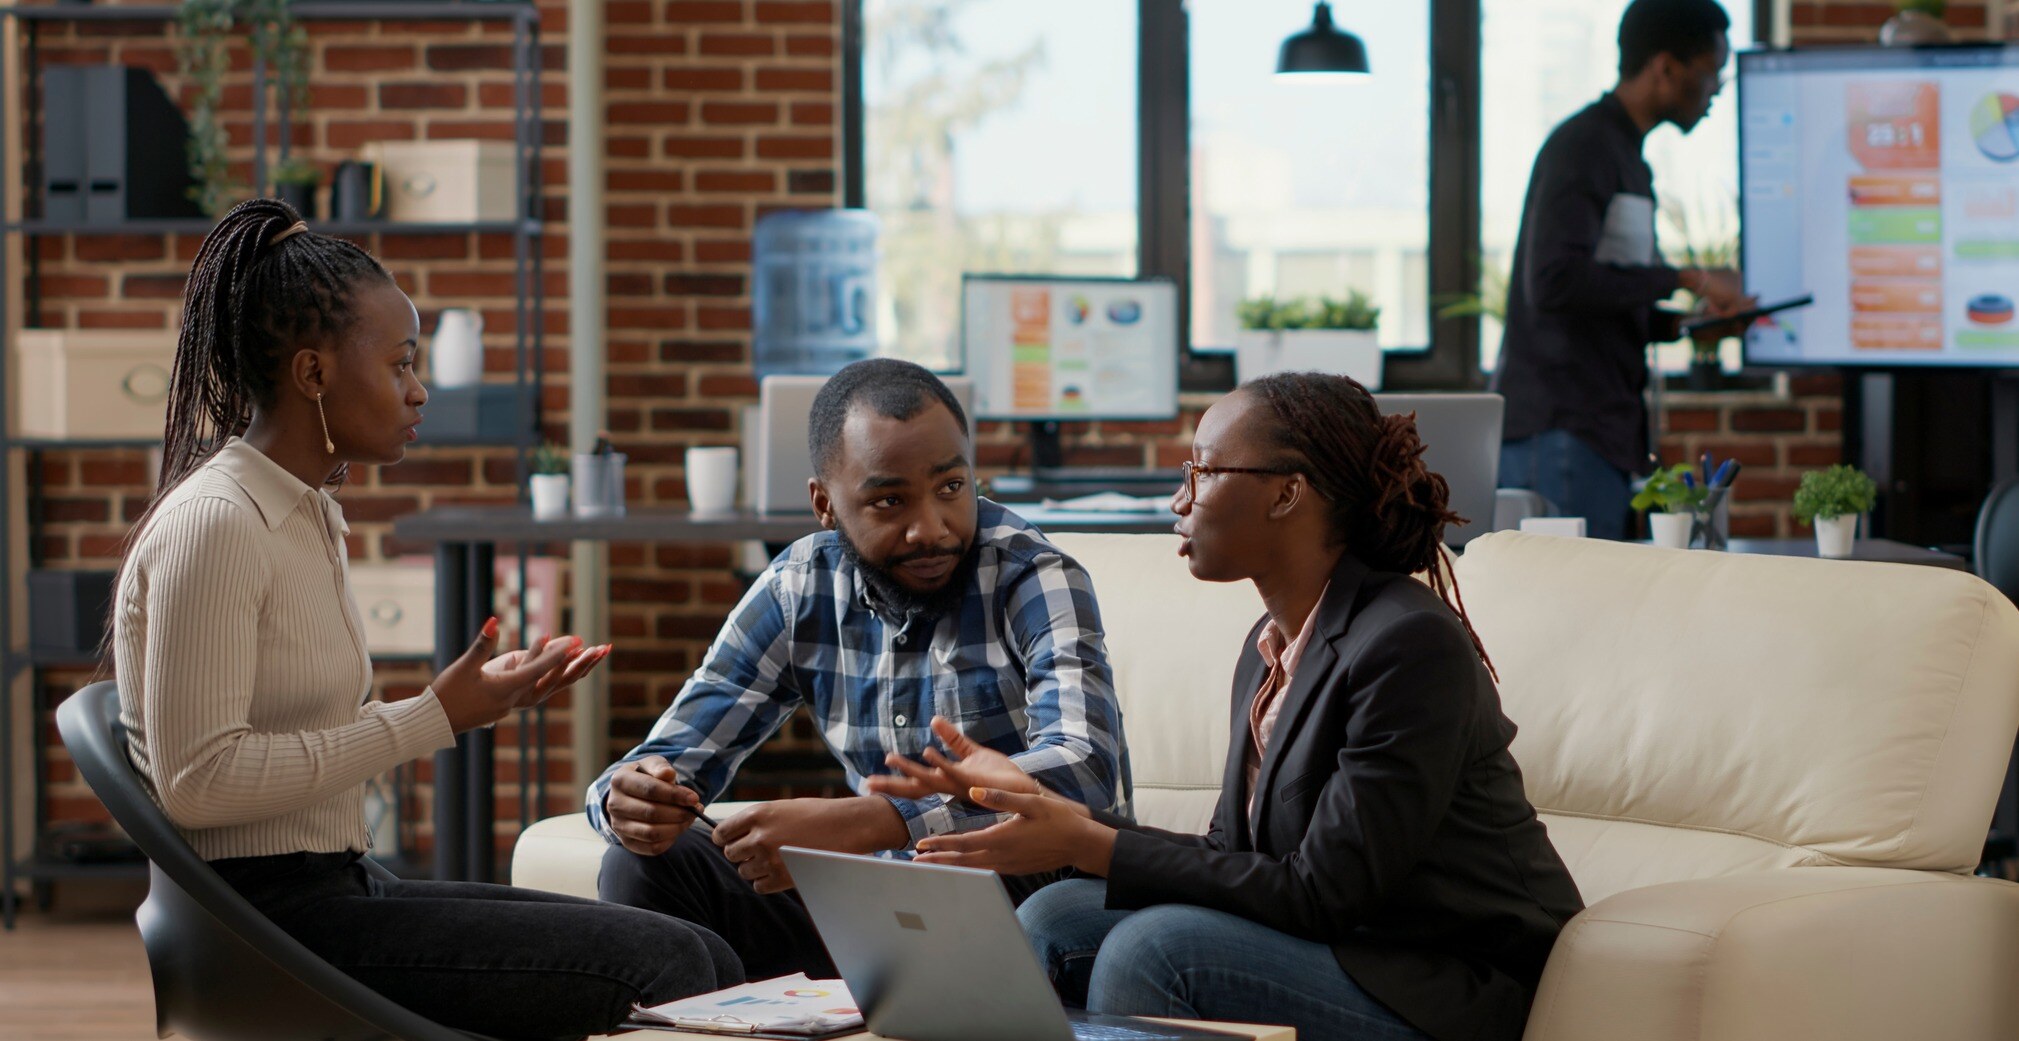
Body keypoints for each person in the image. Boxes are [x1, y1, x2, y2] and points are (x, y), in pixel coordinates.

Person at [114, 198, 742, 1041]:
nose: (418, 391)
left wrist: (463, 703)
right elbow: (199, 781)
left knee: (709, 951)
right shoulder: (218, 523)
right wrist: (433, 717)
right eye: (401, 364)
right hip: (263, 918)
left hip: (335, 886)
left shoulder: (304, 511)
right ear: (313, 374)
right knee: (674, 967)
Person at [865, 373, 1585, 1041]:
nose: (1179, 499)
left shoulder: (1408, 644)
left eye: (1203, 472)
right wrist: (1061, 814)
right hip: (1339, 944)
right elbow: (1229, 857)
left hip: (1443, 980)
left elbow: (1323, 891)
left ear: (1286, 494)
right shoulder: (1270, 645)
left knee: (1160, 952)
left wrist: (1088, 844)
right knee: (1053, 915)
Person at [591, 358, 1131, 981]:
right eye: (888, 500)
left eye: (952, 488)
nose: (931, 528)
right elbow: (667, 759)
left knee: (1048, 909)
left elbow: (1083, 770)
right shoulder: (799, 587)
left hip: (1024, 894)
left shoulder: (1034, 576)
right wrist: (630, 798)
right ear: (825, 503)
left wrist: (867, 823)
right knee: (644, 862)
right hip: (872, 907)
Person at [1492, 0, 1752, 539]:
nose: (1717, 88)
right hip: (1561, 431)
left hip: (1594, 436)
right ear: (1665, 68)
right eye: (1711, 71)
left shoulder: (1629, 158)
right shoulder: (1584, 146)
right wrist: (1689, 277)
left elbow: (1605, 298)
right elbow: (1553, 282)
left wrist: (1689, 324)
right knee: (1573, 613)